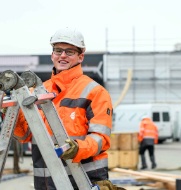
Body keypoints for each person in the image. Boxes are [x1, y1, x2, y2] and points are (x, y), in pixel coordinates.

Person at [13, 27, 125, 190]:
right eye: (58, 50)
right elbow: (25, 135)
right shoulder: (38, 91)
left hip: (84, 182)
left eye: (69, 51)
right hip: (46, 184)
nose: (62, 55)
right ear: (52, 55)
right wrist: (10, 117)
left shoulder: (95, 92)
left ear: (80, 56)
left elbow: (101, 138)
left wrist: (78, 148)